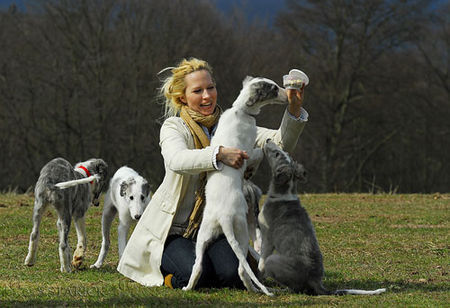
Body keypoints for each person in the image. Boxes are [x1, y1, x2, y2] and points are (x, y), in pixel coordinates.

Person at [117, 58, 309, 289]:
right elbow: (177, 160)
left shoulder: (234, 122)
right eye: (197, 91)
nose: (207, 96)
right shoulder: (174, 127)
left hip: (216, 225)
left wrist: (294, 108)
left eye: (211, 88)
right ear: (182, 98)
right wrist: (218, 154)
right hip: (175, 230)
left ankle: (208, 260)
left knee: (232, 277)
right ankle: (167, 273)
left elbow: (280, 143)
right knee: (196, 277)